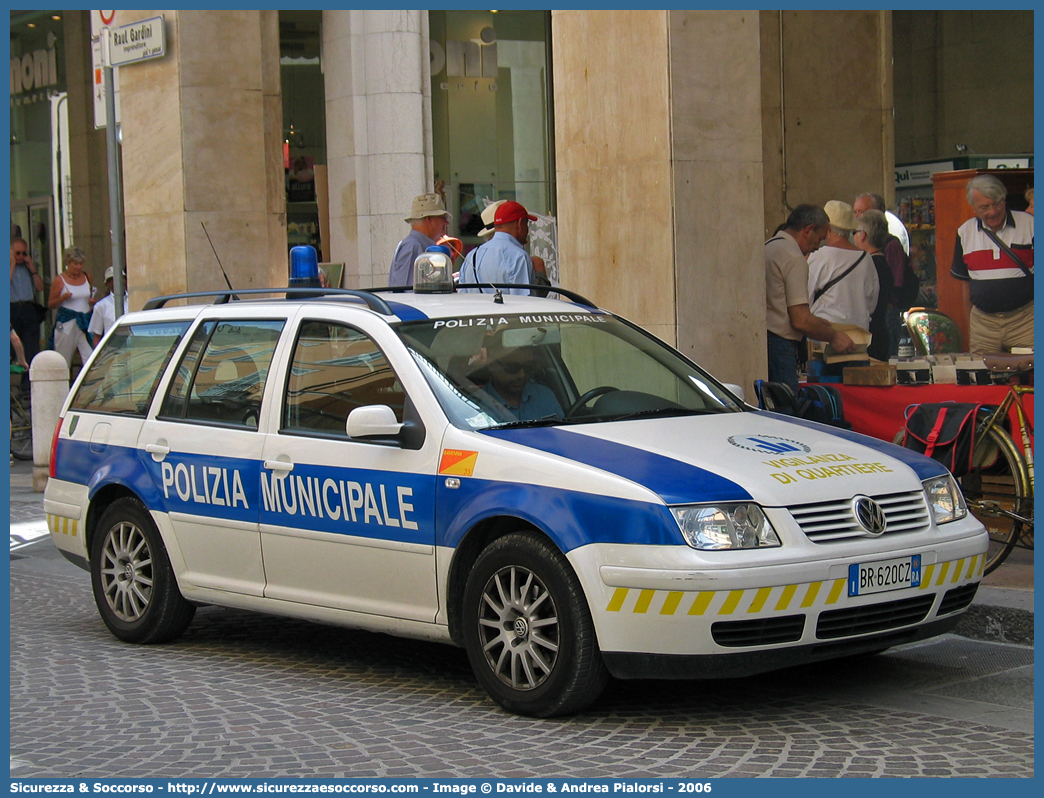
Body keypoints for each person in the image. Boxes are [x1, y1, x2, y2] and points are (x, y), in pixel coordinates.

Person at [765, 204, 856, 392]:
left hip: (765, 343)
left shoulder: (769, 247)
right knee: (786, 413)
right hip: (780, 347)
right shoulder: (793, 257)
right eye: (819, 239)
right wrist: (834, 336)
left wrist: (817, 323)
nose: (817, 247)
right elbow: (800, 319)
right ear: (808, 230)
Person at [952, 174, 1034, 354]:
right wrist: (971, 323)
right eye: (985, 207)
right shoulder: (964, 232)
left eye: (997, 203)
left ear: (1004, 199)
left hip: (1026, 321)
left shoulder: (1030, 224)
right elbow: (965, 284)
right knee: (983, 376)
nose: (993, 212)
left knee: (1030, 376)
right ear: (973, 208)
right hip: (983, 325)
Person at [807, 200, 878, 332]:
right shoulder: (866, 258)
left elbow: (806, 298)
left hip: (826, 332)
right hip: (859, 333)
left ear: (827, 229)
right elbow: (872, 303)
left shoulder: (818, 257)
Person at [458, 201, 537, 295]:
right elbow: (523, 302)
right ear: (520, 224)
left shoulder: (471, 256)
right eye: (526, 224)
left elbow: (463, 297)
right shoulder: (518, 256)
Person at [481, 336, 563, 422]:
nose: (522, 375)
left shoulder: (544, 395)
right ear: (492, 365)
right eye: (512, 368)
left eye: (528, 367)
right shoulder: (476, 405)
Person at [854, 210, 893, 361]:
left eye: (855, 232)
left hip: (871, 335)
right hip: (881, 332)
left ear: (863, 235)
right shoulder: (883, 263)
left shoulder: (869, 265)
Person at [388, 193, 451, 286]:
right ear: (428, 219)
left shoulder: (417, 245)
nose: (446, 223)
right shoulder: (413, 246)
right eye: (442, 217)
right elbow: (406, 292)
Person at [49, 246, 96, 368]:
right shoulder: (59, 280)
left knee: (91, 357)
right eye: (75, 264)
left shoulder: (87, 277)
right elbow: (51, 304)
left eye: (81, 264)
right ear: (68, 263)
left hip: (85, 321)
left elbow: (88, 294)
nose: (79, 267)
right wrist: (62, 298)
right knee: (63, 360)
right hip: (67, 322)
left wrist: (91, 301)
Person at [9, 237, 44, 378]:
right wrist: (11, 263)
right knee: (12, 346)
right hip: (11, 307)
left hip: (28, 307)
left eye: (24, 253)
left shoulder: (27, 268)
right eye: (18, 253)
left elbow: (40, 287)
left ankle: (27, 382)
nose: (21, 257)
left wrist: (33, 269)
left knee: (30, 346)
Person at [88, 266, 128, 346]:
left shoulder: (134, 300)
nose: (118, 282)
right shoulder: (101, 306)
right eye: (113, 280)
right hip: (112, 350)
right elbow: (97, 336)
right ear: (108, 284)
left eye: (121, 278)